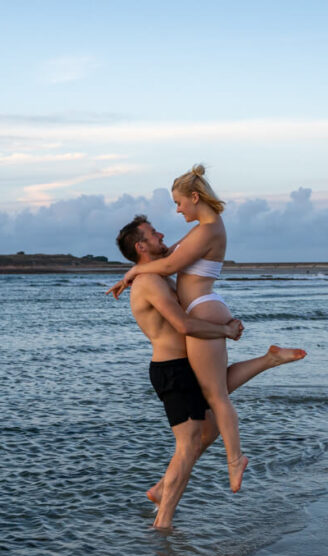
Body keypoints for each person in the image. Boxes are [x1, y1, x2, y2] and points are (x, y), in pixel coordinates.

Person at [114, 214, 305, 529]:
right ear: (141, 245)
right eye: (152, 233)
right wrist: (225, 331)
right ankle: (163, 525)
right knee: (187, 445)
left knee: (212, 424)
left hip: (183, 364)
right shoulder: (149, 282)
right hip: (171, 370)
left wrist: (133, 270)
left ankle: (162, 489)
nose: (161, 234)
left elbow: (187, 244)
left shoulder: (156, 275)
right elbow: (183, 324)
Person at [108, 165, 247, 492]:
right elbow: (167, 255)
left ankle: (236, 459)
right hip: (205, 305)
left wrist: (131, 276)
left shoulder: (208, 230)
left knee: (216, 394)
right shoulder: (204, 228)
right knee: (213, 390)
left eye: (179, 202)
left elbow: (168, 264)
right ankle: (271, 360)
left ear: (195, 197)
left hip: (203, 307)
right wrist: (132, 272)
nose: (177, 209)